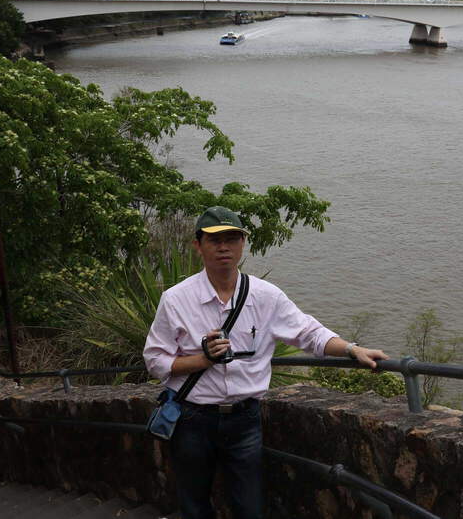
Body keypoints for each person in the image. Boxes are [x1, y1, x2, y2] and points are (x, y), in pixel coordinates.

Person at [143, 206, 389, 519]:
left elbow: (309, 333)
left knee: (250, 507)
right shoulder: (176, 299)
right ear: (198, 245)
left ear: (242, 244)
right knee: (194, 506)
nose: (224, 247)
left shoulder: (265, 296)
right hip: (192, 419)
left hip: (244, 419)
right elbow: (155, 360)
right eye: (215, 240)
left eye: (232, 239)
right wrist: (202, 360)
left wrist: (353, 349)